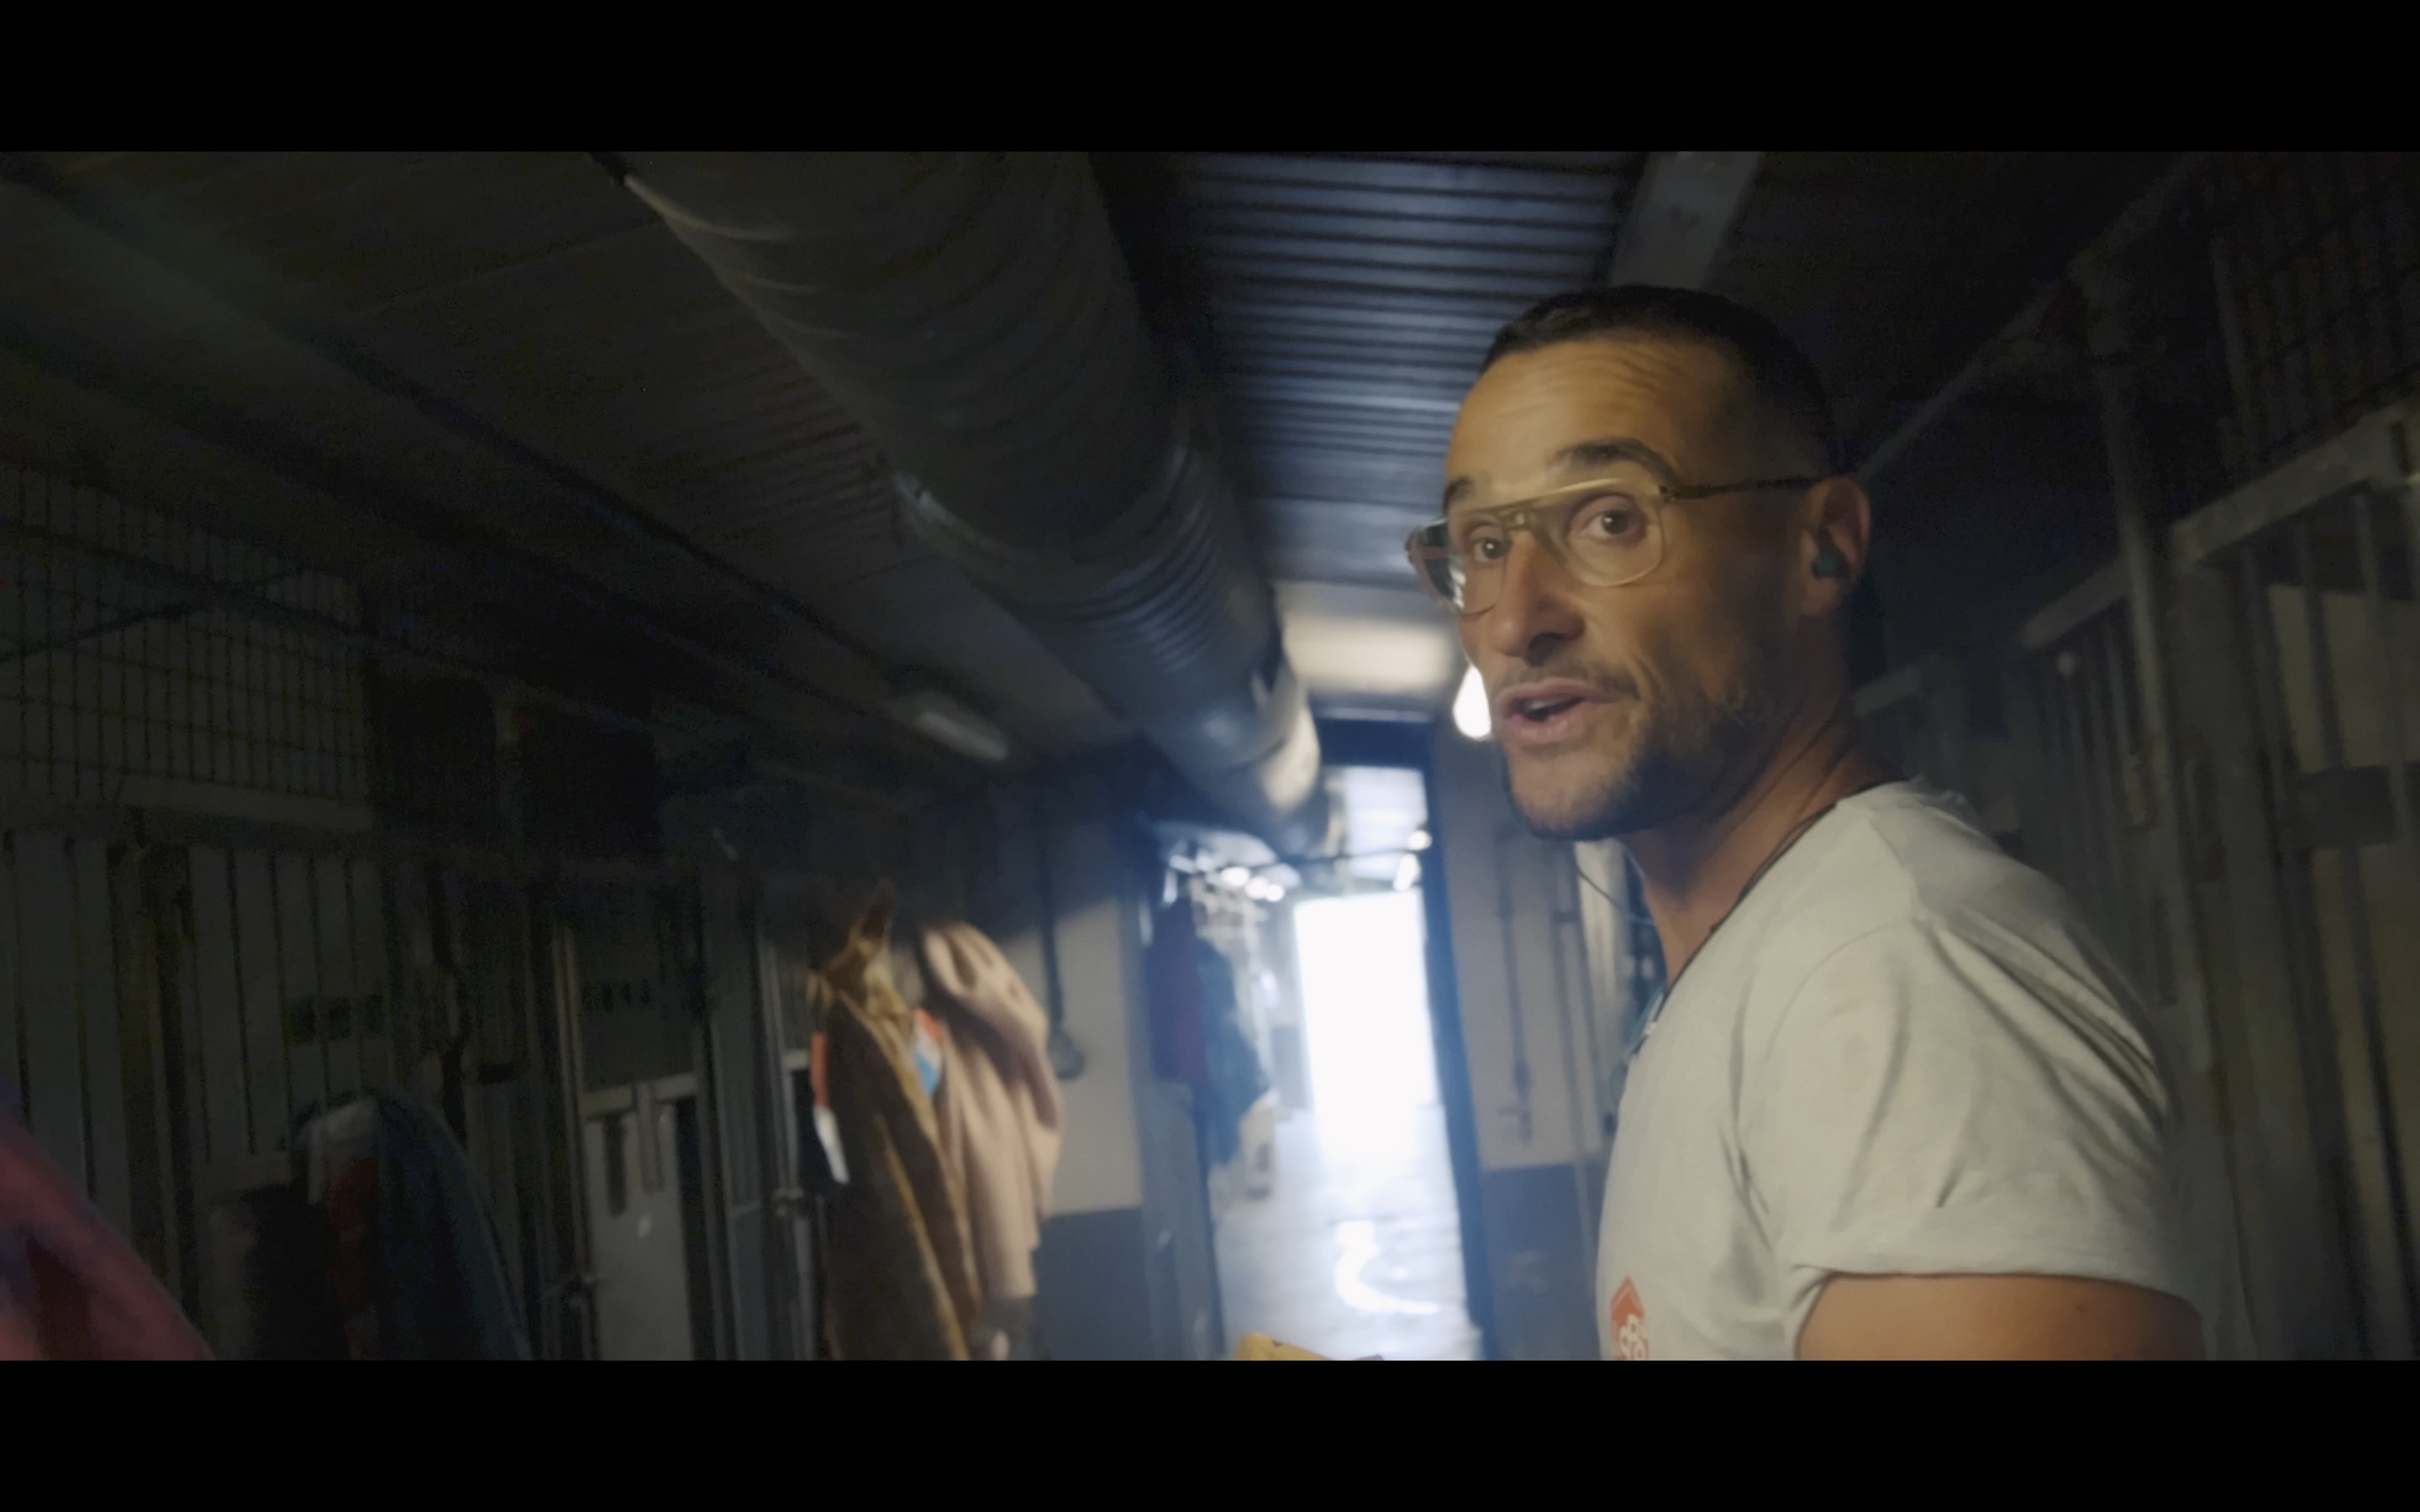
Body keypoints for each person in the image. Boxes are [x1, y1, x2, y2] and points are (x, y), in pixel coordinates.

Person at [1411, 286, 2241, 1360]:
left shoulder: (1900, 987)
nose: (1517, 618)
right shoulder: (1775, 962)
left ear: (1823, 548)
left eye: (1611, 520)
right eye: (1482, 545)